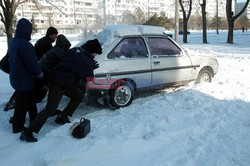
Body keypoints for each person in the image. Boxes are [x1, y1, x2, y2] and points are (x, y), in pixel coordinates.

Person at [20, 39, 102, 142]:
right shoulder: (84, 60)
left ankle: (62, 116)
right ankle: (27, 133)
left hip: (64, 82)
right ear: (92, 51)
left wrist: (88, 64)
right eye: (95, 53)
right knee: (50, 108)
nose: (95, 55)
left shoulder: (76, 50)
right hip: (58, 84)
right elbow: (88, 77)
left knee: (78, 96)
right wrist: (91, 66)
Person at [3, 27, 58, 112]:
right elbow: (42, 59)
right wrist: (38, 72)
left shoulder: (43, 41)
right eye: (54, 35)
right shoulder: (45, 44)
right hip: (34, 69)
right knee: (27, 91)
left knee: (27, 90)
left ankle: (27, 103)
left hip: (30, 70)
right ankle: (14, 104)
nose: (55, 37)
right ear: (50, 35)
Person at [8, 18, 43, 133]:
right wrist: (39, 73)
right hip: (24, 79)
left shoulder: (14, 41)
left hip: (16, 77)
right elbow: (32, 63)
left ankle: (34, 119)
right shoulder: (25, 45)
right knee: (22, 105)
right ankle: (17, 126)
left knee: (29, 100)